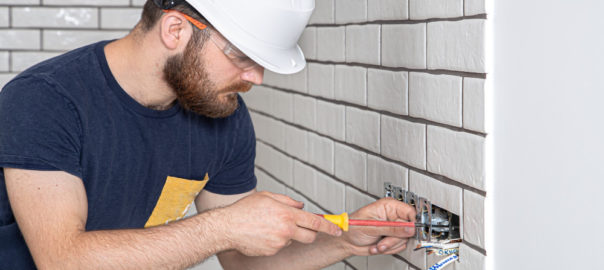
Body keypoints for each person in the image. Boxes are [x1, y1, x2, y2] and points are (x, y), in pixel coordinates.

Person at [0, 0, 416, 269]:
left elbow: (241, 260)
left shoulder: (223, 115)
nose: (256, 77)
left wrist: (346, 238)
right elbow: (62, 261)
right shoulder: (46, 101)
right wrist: (222, 227)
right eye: (242, 57)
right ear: (176, 30)